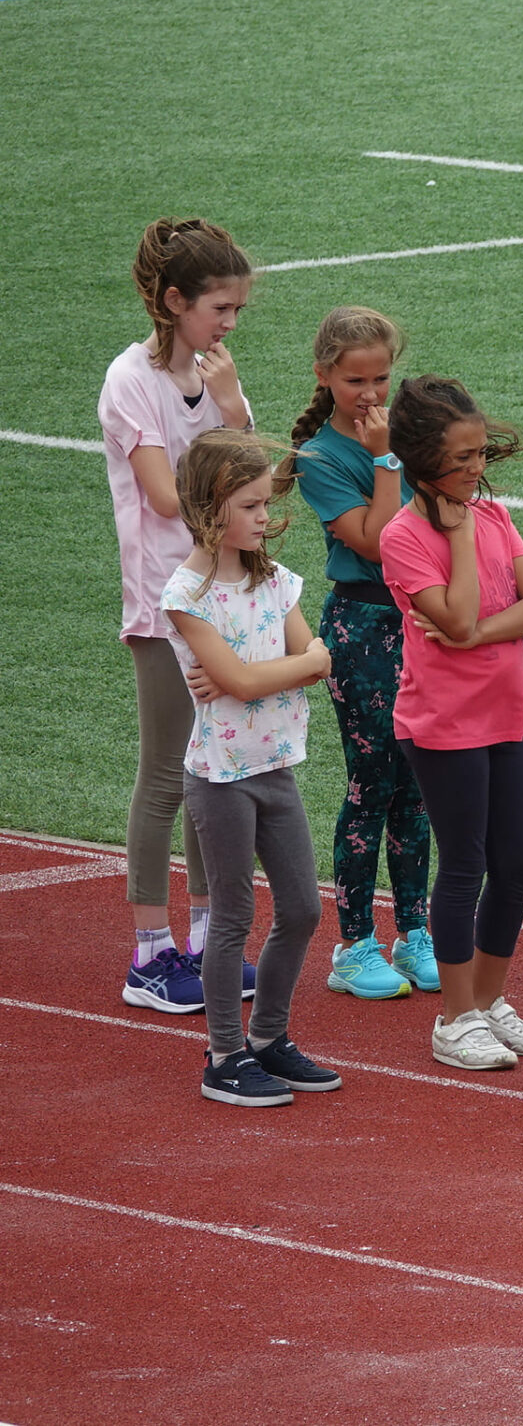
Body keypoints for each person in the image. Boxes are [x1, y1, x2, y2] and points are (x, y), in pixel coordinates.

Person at [379, 377, 523, 1072]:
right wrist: (455, 540)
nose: (476, 469)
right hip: (444, 723)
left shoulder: (495, 513)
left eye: (481, 453)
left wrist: (476, 632)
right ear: (423, 462)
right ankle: (453, 1018)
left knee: (516, 862)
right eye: (462, 459)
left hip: (507, 713)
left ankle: (488, 1002)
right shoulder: (404, 537)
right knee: (463, 864)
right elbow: (448, 614)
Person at [100, 218, 255, 1016]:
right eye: (219, 308)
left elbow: (254, 480)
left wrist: (226, 405)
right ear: (173, 301)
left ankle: (205, 941)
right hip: (166, 605)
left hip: (223, 601)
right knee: (166, 773)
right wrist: (223, 421)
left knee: (211, 773)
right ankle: (149, 953)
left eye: (235, 310)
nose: (230, 324)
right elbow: (169, 497)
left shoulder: (213, 376)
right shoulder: (132, 379)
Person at [161, 431, 337, 1107]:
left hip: (274, 765)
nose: (266, 515)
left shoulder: (272, 576)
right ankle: (225, 1055)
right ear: (212, 508)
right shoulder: (187, 593)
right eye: (252, 504)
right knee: (232, 914)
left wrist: (260, 676)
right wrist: (284, 669)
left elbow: (306, 660)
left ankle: (269, 1039)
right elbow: (274, 666)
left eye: (266, 502)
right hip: (220, 775)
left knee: (300, 906)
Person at [288, 306, 436, 1003]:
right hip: (362, 627)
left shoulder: (403, 432)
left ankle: (414, 930)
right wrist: (384, 459)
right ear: (325, 376)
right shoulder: (323, 456)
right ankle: (354, 945)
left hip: (419, 622)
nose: (372, 392)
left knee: (419, 784)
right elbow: (375, 542)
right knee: (370, 782)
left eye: (381, 376)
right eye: (356, 379)